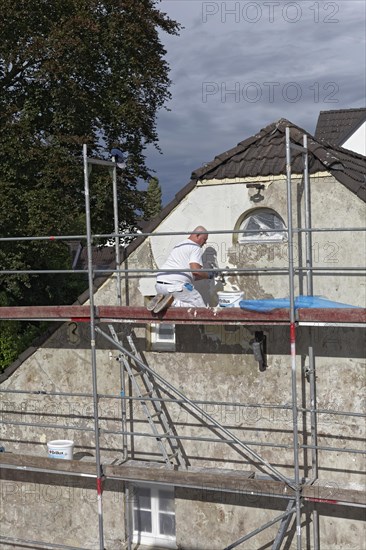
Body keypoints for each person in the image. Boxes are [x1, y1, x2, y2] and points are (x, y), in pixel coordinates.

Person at [147, 226, 216, 313]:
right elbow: (196, 272)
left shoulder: (180, 245)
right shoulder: (195, 247)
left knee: (189, 306)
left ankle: (164, 301)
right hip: (175, 286)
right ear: (197, 235)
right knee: (200, 309)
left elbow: (191, 275)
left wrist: (205, 276)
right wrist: (209, 275)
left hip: (160, 285)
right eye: (204, 239)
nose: (205, 242)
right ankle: (171, 302)